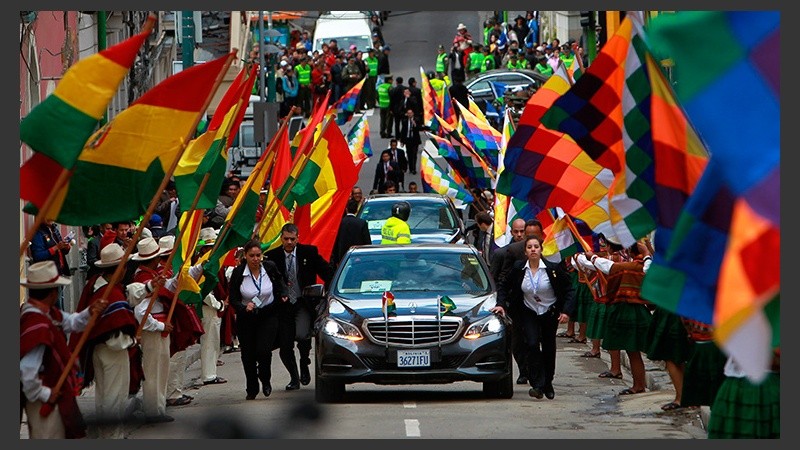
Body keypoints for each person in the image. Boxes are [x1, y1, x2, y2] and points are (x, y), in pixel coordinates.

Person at [20, 261, 107, 439]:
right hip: (43, 399)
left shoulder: (48, 314)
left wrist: (90, 312)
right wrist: (45, 394)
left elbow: (72, 322)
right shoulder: (36, 324)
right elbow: (27, 370)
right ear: (52, 292)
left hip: (53, 394)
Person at [492, 235, 576, 400]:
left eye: (536, 247)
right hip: (528, 310)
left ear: (541, 249)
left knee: (548, 346)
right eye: (529, 247)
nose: (533, 250)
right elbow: (504, 285)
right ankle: (537, 384)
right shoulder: (518, 268)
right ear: (525, 251)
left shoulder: (552, 269)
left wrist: (566, 311)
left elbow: (569, 290)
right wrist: (501, 304)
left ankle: (548, 382)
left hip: (549, 311)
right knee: (531, 343)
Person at [70, 243, 140, 438]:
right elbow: (116, 338)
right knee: (114, 398)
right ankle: (113, 436)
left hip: (97, 350)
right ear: (120, 269)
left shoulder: (94, 285)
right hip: (113, 352)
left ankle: (105, 434)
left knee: (103, 395)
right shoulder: (112, 295)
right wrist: (133, 341)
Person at [264, 223, 333, 390]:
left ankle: (304, 362)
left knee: (303, 335)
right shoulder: (272, 257)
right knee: (285, 345)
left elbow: (327, 272)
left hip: (303, 302)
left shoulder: (308, 253)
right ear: (281, 238)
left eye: (292, 239)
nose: (289, 242)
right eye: (286, 239)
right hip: (283, 306)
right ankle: (294, 378)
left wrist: (332, 292)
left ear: (297, 238)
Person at [583, 239, 653, 396]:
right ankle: (638, 384)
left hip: (626, 311)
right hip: (640, 311)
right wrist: (647, 253)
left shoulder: (629, 267)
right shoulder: (646, 265)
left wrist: (591, 257)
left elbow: (609, 267)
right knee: (634, 352)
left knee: (632, 351)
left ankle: (638, 385)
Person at [228, 239, 288, 400]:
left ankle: (265, 379)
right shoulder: (239, 273)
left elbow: (280, 281)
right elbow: (233, 298)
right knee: (248, 355)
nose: (255, 259)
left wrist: (283, 294)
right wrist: (243, 307)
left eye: (258, 255)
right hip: (246, 318)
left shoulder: (269, 268)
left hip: (268, 315)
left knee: (264, 350)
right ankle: (252, 386)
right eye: (251, 256)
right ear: (245, 256)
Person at [488, 218, 528, 384]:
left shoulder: (535, 252)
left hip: (532, 303)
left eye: (522, 231)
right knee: (516, 340)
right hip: (511, 304)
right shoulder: (502, 253)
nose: (519, 235)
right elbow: (494, 279)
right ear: (511, 232)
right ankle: (524, 371)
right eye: (516, 232)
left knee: (532, 339)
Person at [29, 219, 72, 309]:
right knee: (55, 307)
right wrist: (56, 247)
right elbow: (38, 256)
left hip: (59, 273)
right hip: (47, 277)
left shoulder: (55, 229)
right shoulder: (38, 233)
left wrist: (66, 247)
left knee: (60, 306)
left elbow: (63, 251)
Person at [331, 198, 372, 268]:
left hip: (342, 258)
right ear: (356, 210)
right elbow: (367, 242)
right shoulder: (362, 223)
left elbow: (335, 243)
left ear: (346, 209)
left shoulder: (339, 223)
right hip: (359, 258)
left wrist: (335, 261)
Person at [399, 109, 421, 176]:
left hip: (415, 140)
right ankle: (411, 168)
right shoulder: (405, 121)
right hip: (408, 140)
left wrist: (415, 124)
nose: (409, 114)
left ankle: (414, 168)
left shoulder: (417, 120)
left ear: (413, 114)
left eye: (411, 113)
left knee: (414, 154)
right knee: (409, 154)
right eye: (408, 113)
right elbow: (403, 131)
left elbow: (419, 128)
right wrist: (402, 141)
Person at [376, 74, 394, 138]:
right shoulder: (390, 87)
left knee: (382, 120)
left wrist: (380, 102)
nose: (392, 81)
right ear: (389, 81)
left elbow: (377, 96)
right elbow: (392, 98)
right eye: (391, 80)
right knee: (389, 120)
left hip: (382, 105)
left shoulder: (380, 87)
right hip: (388, 106)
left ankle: (382, 132)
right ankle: (388, 133)